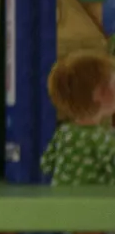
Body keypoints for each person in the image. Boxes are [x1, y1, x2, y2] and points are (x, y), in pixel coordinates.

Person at [41, 50, 115, 185]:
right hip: (92, 201)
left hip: (61, 199)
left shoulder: (64, 132)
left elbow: (46, 163)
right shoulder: (101, 138)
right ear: (98, 94)